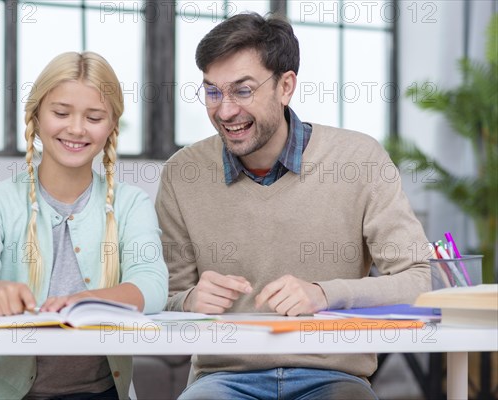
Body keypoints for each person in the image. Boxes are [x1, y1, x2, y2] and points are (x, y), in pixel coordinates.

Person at [155, 12, 430, 400]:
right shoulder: (183, 174)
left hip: (334, 377)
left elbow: (419, 280)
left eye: (243, 90)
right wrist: (189, 300)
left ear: (286, 86)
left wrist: (324, 294)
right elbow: (162, 296)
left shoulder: (360, 159)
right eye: (213, 91)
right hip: (223, 379)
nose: (225, 110)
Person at [0, 51, 168, 400]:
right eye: (61, 113)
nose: (77, 128)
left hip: (99, 393)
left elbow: (153, 286)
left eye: (94, 117)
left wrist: (86, 302)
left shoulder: (131, 204)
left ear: (112, 125)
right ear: (36, 116)